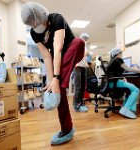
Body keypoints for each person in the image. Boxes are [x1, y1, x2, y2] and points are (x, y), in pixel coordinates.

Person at [21, 2, 85, 145]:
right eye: (34, 27)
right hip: (59, 60)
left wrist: (56, 77)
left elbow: (57, 49)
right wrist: (51, 80)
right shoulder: (33, 33)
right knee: (59, 89)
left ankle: (59, 82)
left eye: (40, 24)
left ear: (44, 16)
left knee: (78, 41)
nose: (37, 29)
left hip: (73, 51)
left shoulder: (57, 18)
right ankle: (67, 129)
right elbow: (46, 56)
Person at [107, 48, 140, 119]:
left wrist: (121, 77)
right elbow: (128, 69)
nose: (121, 55)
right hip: (114, 82)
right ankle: (126, 109)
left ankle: (127, 108)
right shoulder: (118, 59)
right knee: (136, 90)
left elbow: (114, 72)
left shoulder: (112, 60)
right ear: (118, 54)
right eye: (121, 53)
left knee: (130, 90)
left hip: (111, 82)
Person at [73, 33, 89, 112]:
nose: (85, 40)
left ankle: (81, 104)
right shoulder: (77, 43)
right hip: (77, 66)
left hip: (84, 66)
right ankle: (77, 105)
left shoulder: (85, 45)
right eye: (84, 38)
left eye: (86, 39)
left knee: (83, 87)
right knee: (78, 87)